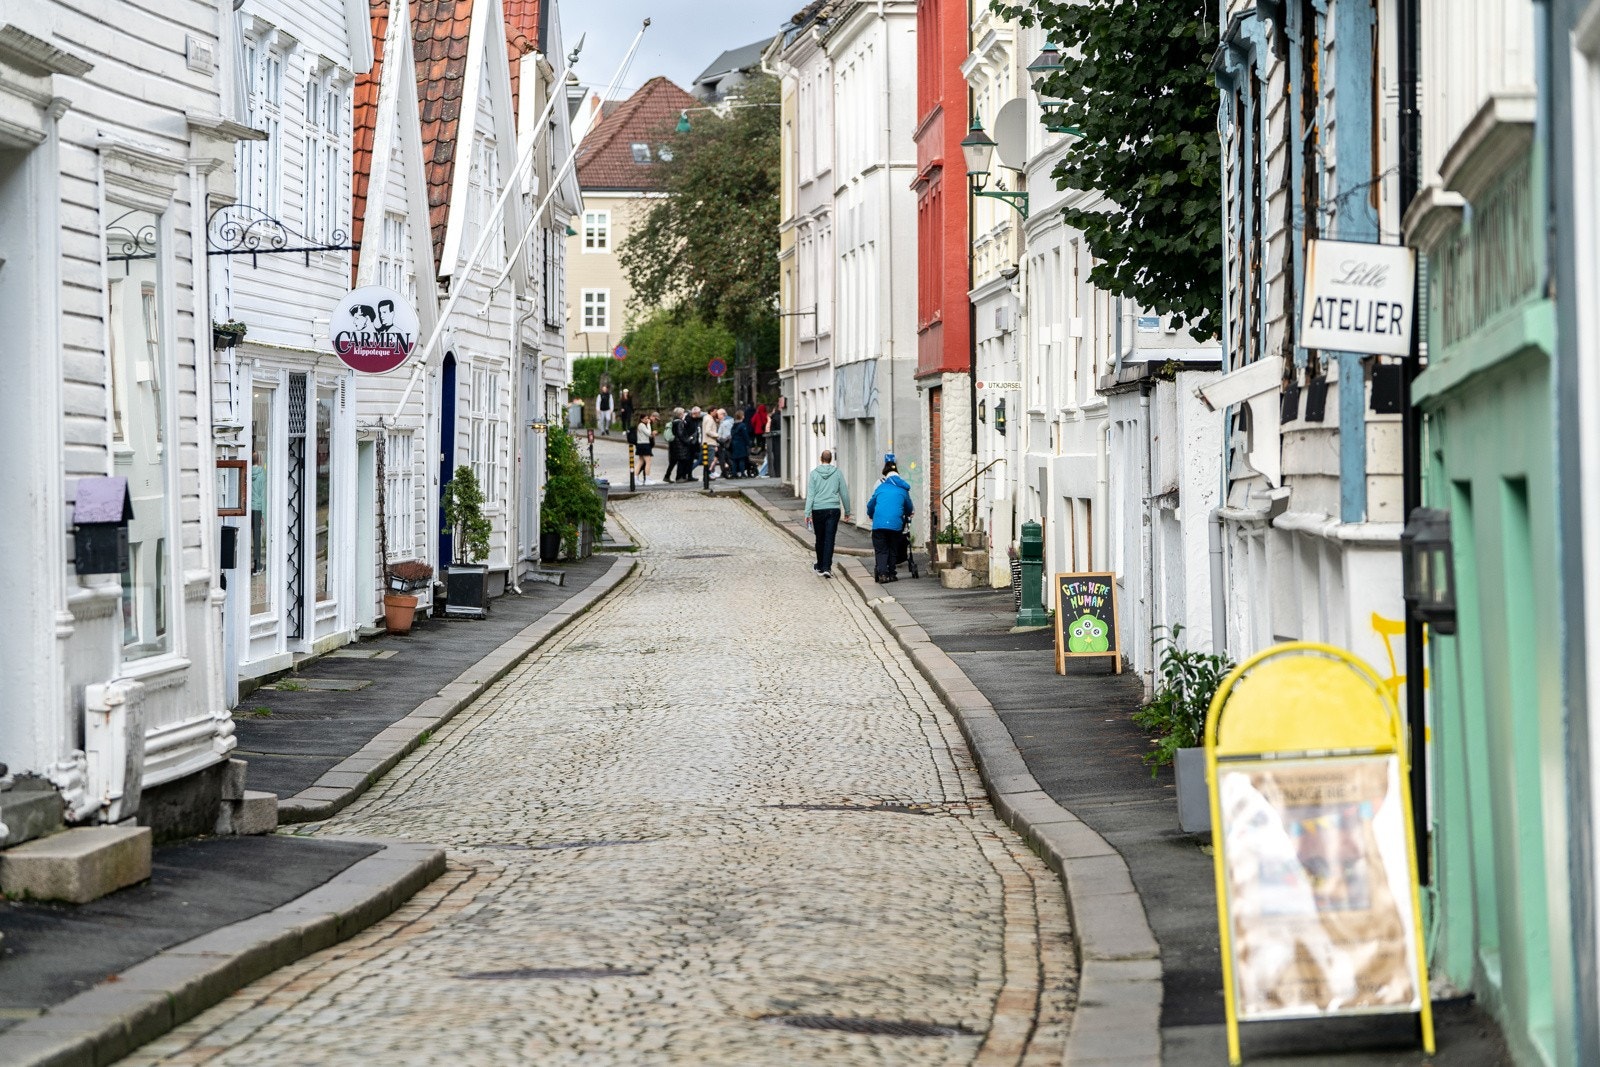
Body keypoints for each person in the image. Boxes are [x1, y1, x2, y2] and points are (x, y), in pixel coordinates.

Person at [804, 451, 851, 578]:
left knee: (820, 538)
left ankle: (819, 565)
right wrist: (847, 511)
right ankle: (827, 567)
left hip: (818, 509)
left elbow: (811, 495)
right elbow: (844, 493)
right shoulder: (837, 473)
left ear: (821, 459)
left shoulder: (814, 474)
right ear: (831, 459)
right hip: (833, 509)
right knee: (830, 538)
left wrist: (807, 512)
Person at [867, 460, 914, 583]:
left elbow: (871, 505)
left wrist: (870, 515)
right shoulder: (903, 490)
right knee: (893, 548)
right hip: (895, 525)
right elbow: (909, 507)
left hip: (879, 524)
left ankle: (882, 574)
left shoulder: (880, 488)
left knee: (881, 550)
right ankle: (892, 573)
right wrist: (908, 514)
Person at [729, 410, 753, 479]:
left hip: (734, 444)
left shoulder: (734, 425)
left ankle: (734, 473)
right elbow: (745, 436)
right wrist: (749, 443)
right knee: (741, 459)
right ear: (742, 416)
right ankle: (742, 473)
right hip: (741, 444)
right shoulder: (742, 425)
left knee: (735, 460)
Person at [632, 413, 656, 483]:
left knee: (640, 461)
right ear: (641, 419)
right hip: (644, 445)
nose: (647, 420)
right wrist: (648, 424)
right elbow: (648, 433)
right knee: (648, 462)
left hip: (642, 444)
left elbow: (647, 435)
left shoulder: (641, 425)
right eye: (645, 419)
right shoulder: (642, 425)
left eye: (647, 418)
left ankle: (635, 478)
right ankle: (647, 479)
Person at [662, 407, 685, 481]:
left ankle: (667, 476)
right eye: (683, 413)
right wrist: (686, 440)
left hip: (672, 444)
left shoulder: (673, 421)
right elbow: (680, 434)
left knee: (673, 461)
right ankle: (678, 477)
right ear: (680, 414)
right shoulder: (679, 422)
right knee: (681, 460)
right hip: (678, 444)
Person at [716, 407, 734, 477]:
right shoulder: (729, 421)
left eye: (718, 415)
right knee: (726, 458)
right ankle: (727, 471)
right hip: (727, 444)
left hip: (724, 444)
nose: (717, 417)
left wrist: (720, 441)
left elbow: (726, 435)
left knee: (724, 459)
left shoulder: (725, 423)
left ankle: (725, 472)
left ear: (722, 415)